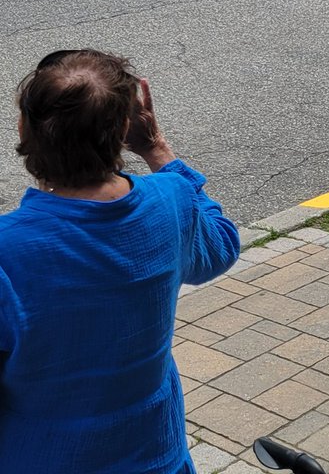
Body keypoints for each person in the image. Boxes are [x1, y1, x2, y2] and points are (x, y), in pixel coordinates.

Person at [0, 49, 239, 473]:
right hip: (157, 458)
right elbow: (221, 247)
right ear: (125, 128)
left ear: (25, 127)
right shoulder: (172, 200)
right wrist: (158, 150)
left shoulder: (9, 249)